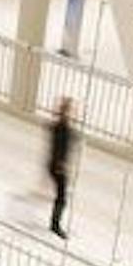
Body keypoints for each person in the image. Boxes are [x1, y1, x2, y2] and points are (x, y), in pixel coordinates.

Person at [47, 98, 78, 239]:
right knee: (62, 197)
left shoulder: (60, 127)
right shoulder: (62, 128)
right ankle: (55, 225)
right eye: (70, 110)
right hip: (57, 166)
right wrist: (60, 165)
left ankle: (55, 224)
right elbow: (59, 148)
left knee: (62, 196)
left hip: (57, 165)